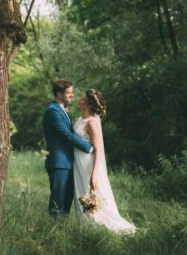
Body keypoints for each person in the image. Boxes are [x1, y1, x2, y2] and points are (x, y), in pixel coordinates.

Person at [72, 89, 136, 234]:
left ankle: (103, 227)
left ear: (88, 104)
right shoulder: (79, 120)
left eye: (82, 99)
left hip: (88, 164)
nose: (79, 100)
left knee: (94, 195)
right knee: (81, 193)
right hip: (79, 163)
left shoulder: (92, 123)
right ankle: (85, 227)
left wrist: (94, 174)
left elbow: (98, 150)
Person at [43, 80, 93, 216]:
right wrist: (88, 148)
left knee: (67, 200)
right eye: (69, 93)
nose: (72, 95)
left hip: (68, 161)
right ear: (59, 94)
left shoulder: (63, 109)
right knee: (58, 201)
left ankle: (62, 227)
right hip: (59, 162)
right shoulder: (52, 111)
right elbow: (66, 134)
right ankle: (54, 230)